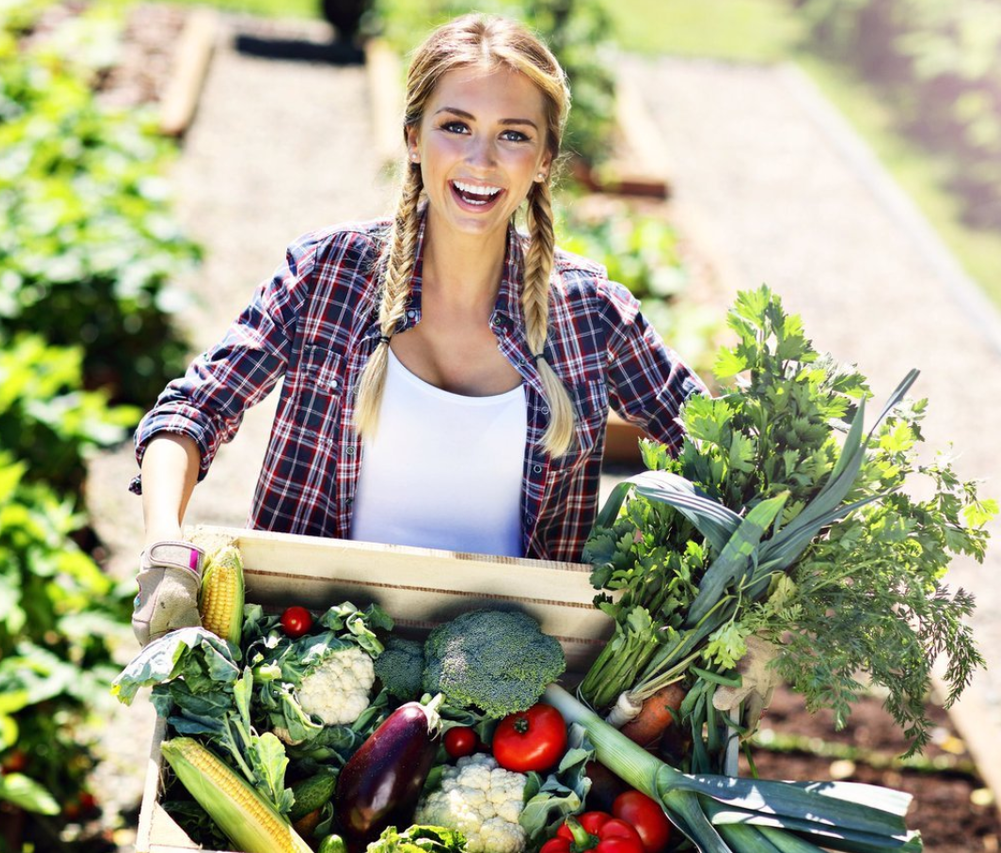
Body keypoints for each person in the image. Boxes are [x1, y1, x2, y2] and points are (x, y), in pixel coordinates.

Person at [129, 14, 705, 646]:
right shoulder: (332, 274)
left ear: (543, 160)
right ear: (413, 138)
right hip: (309, 658)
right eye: (455, 126)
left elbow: (715, 447)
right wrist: (165, 547)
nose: (480, 161)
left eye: (512, 135)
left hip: (507, 702)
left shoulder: (590, 313)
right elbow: (193, 411)